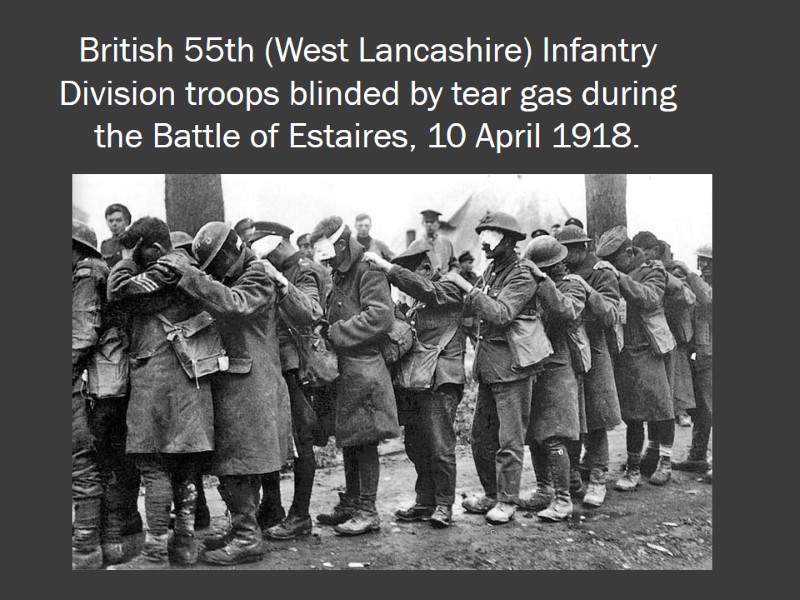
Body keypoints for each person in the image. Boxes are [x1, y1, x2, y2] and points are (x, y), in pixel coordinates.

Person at [156, 222, 292, 565]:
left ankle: (248, 537)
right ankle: (241, 527)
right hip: (236, 382)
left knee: (241, 462)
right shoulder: (235, 275)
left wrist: (190, 275)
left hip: (252, 384)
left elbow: (235, 304)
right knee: (232, 462)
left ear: (234, 249)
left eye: (217, 260)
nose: (215, 269)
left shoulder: (259, 274)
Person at [107, 217, 214, 568]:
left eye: (139, 252)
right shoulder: (187, 269)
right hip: (190, 381)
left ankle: (155, 549)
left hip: (157, 379)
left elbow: (117, 290)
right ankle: (183, 544)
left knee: (154, 467)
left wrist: (125, 256)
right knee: (185, 467)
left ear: (152, 248)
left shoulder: (165, 268)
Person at [442, 212, 543, 525]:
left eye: (491, 235)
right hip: (488, 368)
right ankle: (491, 492)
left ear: (509, 240)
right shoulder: (492, 270)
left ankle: (508, 500)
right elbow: (477, 313)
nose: (484, 242)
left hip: (512, 368)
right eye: (482, 234)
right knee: (480, 438)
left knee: (509, 440)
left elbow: (502, 313)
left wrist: (464, 285)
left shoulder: (523, 273)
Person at [310, 216, 401, 536]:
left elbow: (379, 316)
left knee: (364, 441)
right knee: (350, 438)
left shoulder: (367, 269)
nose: (328, 260)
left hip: (365, 366)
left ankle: (368, 510)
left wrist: (335, 333)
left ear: (339, 244)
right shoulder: (341, 271)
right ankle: (351, 502)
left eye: (329, 252)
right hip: (347, 368)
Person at [365, 247, 466, 528]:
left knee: (440, 445)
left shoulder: (448, 287)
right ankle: (425, 501)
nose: (404, 280)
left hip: (441, 379)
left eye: (409, 272)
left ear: (424, 268)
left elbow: (426, 291)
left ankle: (444, 505)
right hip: (414, 381)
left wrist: (389, 269)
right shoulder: (411, 302)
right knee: (415, 444)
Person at [248, 221, 329, 540]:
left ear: (279, 244)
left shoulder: (303, 270)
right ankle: (273, 508)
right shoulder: (288, 267)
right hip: (278, 364)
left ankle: (300, 515)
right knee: (278, 437)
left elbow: (310, 312)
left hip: (297, 368)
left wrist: (280, 281)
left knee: (301, 440)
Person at [594, 226, 677, 490]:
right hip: (625, 351)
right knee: (632, 415)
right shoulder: (615, 272)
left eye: (613, 259)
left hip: (651, 349)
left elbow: (650, 298)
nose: (609, 265)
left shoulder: (653, 270)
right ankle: (632, 468)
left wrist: (619, 277)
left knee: (662, 408)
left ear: (628, 253)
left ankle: (665, 461)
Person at [554, 225, 623, 508]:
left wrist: (586, 289)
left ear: (581, 249)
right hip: (568, 351)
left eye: (566, 251)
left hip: (595, 350)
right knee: (571, 418)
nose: (562, 257)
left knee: (596, 419)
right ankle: (573, 477)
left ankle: (597, 478)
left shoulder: (601, 272)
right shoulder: (557, 273)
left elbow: (611, 314)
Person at [520, 235, 588, 522]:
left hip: (560, 368)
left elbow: (567, 310)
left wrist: (542, 282)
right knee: (535, 435)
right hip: (536, 366)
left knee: (554, 435)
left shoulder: (572, 285)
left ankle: (563, 499)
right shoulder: (539, 286)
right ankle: (544, 489)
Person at [72, 221, 110, 569]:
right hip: (89, 380)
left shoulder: (86, 275)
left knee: (80, 463)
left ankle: (86, 547)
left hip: (79, 383)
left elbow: (82, 334)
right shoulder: (87, 272)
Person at [673, 244, 713, 482]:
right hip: (700, 353)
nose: (705, 265)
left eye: (709, 261)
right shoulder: (700, 283)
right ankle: (697, 456)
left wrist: (689, 275)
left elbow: (709, 301)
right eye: (702, 260)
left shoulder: (703, 286)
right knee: (700, 408)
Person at [407, 210, 455, 274]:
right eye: (426, 222)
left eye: (432, 222)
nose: (429, 225)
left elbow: (455, 264)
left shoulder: (446, 242)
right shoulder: (415, 245)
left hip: (445, 281)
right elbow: (409, 268)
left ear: (438, 224)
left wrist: (452, 274)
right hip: (426, 282)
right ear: (422, 223)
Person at [100, 203, 132, 269]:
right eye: (110, 221)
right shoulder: (105, 245)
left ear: (127, 222)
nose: (114, 224)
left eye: (118, 220)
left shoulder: (133, 242)